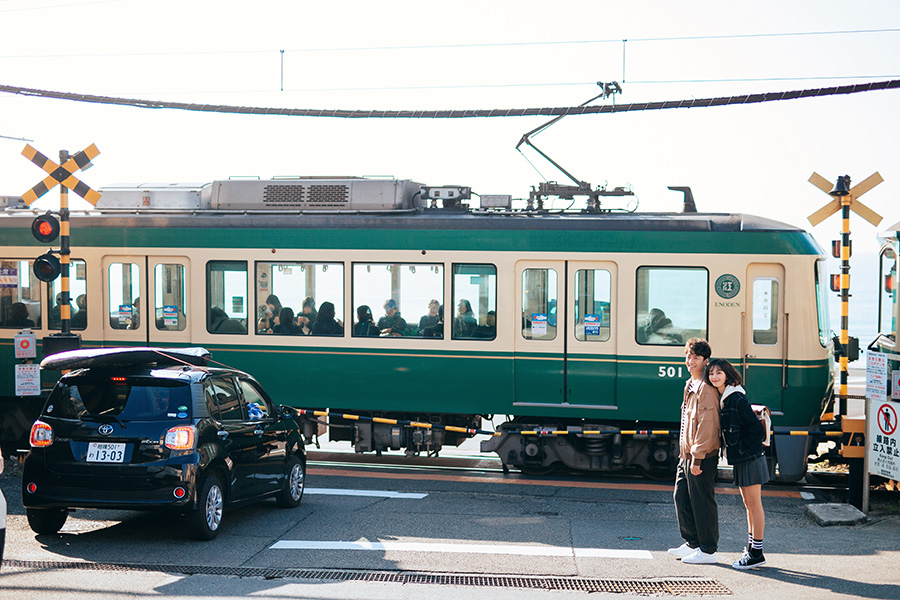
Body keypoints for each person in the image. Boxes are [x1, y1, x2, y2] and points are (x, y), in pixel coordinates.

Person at [706, 358, 769, 570]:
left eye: (718, 373)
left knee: (754, 505)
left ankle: (757, 553)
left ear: (727, 375)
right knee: (749, 505)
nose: (714, 376)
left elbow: (756, 431)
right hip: (744, 459)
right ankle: (752, 549)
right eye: (712, 373)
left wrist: (742, 450)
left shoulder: (736, 398)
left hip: (750, 458)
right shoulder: (726, 396)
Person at [668, 338, 720, 565]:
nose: (690, 361)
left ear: (705, 361)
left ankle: (708, 550)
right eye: (688, 356)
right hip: (686, 454)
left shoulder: (706, 388)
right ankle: (692, 542)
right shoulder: (690, 384)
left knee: (702, 501)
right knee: (681, 497)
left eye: (695, 358)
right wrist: (685, 454)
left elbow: (707, 426)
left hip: (700, 455)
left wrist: (697, 458)